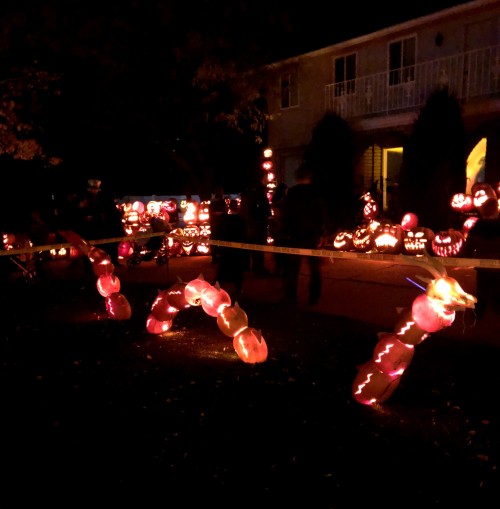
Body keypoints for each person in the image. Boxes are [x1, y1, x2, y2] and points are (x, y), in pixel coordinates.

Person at [281, 162, 328, 306]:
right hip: (312, 235)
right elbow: (322, 213)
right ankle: (314, 297)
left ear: (297, 177)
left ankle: (291, 296)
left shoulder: (292, 193)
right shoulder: (316, 193)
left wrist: (286, 230)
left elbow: (287, 214)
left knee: (292, 268)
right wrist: (322, 233)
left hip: (295, 235)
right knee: (314, 268)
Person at [462, 196, 500, 319]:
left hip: (481, 264)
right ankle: (496, 310)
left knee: (481, 290)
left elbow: (469, 245)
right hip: (497, 265)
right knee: (497, 289)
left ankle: (478, 314)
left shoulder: (477, 228)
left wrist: (464, 257)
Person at [239, 170, 271, 275]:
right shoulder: (259, 190)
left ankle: (246, 266)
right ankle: (258, 268)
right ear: (263, 177)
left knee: (249, 245)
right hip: (257, 223)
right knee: (258, 246)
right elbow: (263, 207)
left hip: (248, 223)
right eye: (267, 176)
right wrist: (267, 214)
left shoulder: (248, 190)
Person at [215, 199, 247, 301]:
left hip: (226, 248)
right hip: (237, 248)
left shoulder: (223, 220)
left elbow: (218, 232)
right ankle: (238, 288)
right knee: (237, 268)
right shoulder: (241, 220)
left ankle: (218, 287)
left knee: (223, 266)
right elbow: (244, 234)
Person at [269, 182, 288, 276]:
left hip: (276, 226)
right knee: (283, 248)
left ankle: (279, 267)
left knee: (278, 248)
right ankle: (282, 268)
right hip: (281, 226)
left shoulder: (274, 201)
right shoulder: (283, 201)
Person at [208, 186, 227, 262]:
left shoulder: (212, 202)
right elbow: (224, 212)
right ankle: (218, 255)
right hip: (220, 224)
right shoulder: (220, 202)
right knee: (220, 240)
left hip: (214, 224)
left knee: (214, 240)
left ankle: (215, 256)